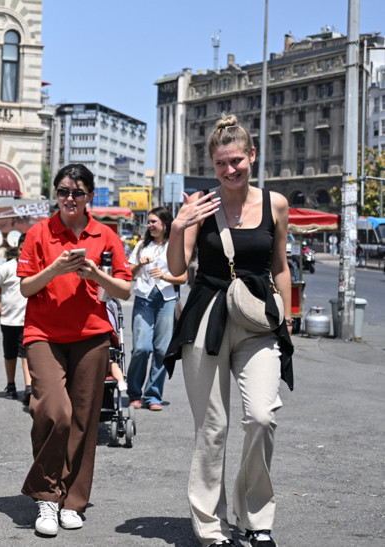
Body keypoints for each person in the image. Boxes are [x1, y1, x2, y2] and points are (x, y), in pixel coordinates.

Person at [165, 114, 294, 547]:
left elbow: (279, 264)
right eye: (221, 163)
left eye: (236, 160)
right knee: (212, 427)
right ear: (213, 164)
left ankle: (255, 517)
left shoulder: (276, 204)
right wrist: (179, 225)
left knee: (261, 416)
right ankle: (210, 527)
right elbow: (177, 270)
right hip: (207, 319)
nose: (230, 170)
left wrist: (287, 318)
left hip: (258, 319)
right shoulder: (202, 206)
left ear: (252, 155)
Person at [17, 163, 132, 536]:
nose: (70, 199)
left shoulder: (106, 235)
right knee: (54, 411)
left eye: (78, 193)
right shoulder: (39, 233)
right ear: (56, 194)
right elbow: (25, 288)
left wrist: (94, 274)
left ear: (90, 197)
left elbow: (124, 290)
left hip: (92, 335)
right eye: (64, 191)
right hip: (44, 334)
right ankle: (47, 496)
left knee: (85, 420)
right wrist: (55, 269)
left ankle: (72, 501)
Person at [127, 207, 187, 411]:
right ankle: (134, 392)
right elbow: (128, 272)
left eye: (155, 222)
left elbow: (184, 278)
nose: (150, 225)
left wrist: (165, 277)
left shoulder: (174, 246)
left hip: (167, 299)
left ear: (165, 224)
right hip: (144, 298)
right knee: (142, 348)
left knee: (162, 349)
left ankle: (153, 395)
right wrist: (138, 265)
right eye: (149, 222)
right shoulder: (142, 246)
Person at [0, 236, 32, 405]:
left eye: (27, 248)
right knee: (10, 354)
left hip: (29, 321)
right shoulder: (9, 267)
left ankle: (29, 388)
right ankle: (11, 385)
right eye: (21, 248)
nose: (23, 251)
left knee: (27, 354)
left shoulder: (36, 267)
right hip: (9, 321)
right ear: (17, 249)